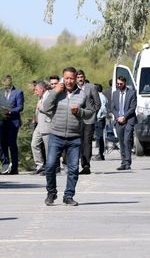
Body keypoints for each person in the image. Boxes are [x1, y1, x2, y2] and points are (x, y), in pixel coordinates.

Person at [42, 67, 93, 206]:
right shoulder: (57, 93)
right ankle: (51, 193)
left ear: (76, 78)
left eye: (72, 78)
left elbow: (90, 112)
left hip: (74, 137)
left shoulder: (83, 95)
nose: (69, 81)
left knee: (73, 168)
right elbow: (45, 108)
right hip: (56, 135)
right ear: (63, 78)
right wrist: (54, 91)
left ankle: (68, 195)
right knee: (51, 165)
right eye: (66, 78)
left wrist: (80, 112)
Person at [76, 70, 101, 174]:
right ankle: (82, 163)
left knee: (87, 142)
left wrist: (92, 113)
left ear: (84, 77)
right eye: (78, 77)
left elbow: (98, 104)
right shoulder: (74, 89)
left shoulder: (91, 87)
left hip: (89, 119)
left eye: (81, 77)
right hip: (77, 119)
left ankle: (86, 165)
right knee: (79, 142)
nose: (80, 79)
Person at [0, 75, 24, 174]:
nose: (5, 83)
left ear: (10, 81)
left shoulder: (18, 92)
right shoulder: (0, 92)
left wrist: (10, 111)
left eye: (7, 81)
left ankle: (15, 167)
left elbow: (20, 107)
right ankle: (5, 165)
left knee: (12, 143)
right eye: (3, 82)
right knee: (3, 143)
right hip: (2, 121)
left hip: (13, 121)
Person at [111, 76, 137, 170]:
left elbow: (132, 107)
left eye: (120, 84)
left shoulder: (132, 93)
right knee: (121, 142)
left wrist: (124, 117)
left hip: (128, 120)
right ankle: (123, 162)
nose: (119, 85)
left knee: (127, 140)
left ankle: (128, 162)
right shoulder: (115, 94)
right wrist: (118, 117)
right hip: (118, 121)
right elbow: (113, 107)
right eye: (117, 84)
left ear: (125, 83)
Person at [31, 81, 52, 174]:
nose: (35, 91)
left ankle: (50, 168)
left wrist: (41, 107)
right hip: (39, 125)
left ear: (42, 89)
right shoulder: (41, 97)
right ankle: (40, 166)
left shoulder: (50, 96)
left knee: (48, 148)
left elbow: (52, 111)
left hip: (47, 125)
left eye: (37, 90)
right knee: (34, 144)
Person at [93, 83, 108, 161]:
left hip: (99, 119)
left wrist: (97, 117)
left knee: (100, 137)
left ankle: (100, 154)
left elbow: (102, 109)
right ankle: (101, 153)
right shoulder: (103, 96)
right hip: (101, 119)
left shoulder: (100, 97)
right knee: (100, 137)